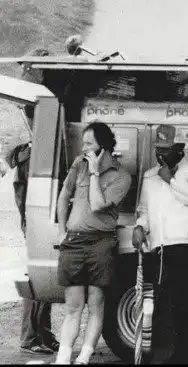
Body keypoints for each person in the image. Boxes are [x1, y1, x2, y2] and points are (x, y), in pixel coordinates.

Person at [131, 124, 188, 364]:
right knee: (161, 304)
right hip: (160, 246)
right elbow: (144, 209)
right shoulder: (150, 176)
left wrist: (172, 180)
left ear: (179, 148)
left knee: (183, 303)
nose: (160, 153)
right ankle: (164, 356)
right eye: (158, 148)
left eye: (166, 149)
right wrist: (140, 226)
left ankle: (185, 356)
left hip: (186, 245)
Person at [54, 122, 132, 364]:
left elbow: (97, 205)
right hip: (75, 242)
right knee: (73, 305)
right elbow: (64, 196)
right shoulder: (78, 165)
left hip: (101, 243)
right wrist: (62, 230)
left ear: (103, 147)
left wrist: (95, 173)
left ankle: (85, 356)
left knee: (96, 303)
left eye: (89, 144)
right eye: (83, 143)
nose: (83, 148)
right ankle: (63, 357)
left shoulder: (121, 176)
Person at [5, 138, 60, 356]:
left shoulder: (28, 153)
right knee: (40, 279)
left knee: (44, 277)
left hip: (35, 222)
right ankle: (30, 337)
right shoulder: (34, 156)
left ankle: (42, 334)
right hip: (38, 222)